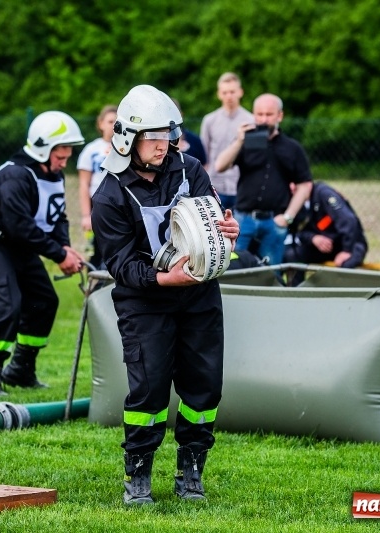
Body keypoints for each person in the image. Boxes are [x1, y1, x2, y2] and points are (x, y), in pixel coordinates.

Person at [90, 85, 239, 505]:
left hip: (199, 298)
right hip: (145, 302)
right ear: (127, 139)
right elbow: (120, 266)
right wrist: (163, 280)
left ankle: (191, 468)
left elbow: (213, 224)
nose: (163, 144)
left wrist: (229, 232)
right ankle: (137, 472)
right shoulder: (108, 194)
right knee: (150, 389)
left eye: (167, 134)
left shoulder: (190, 169)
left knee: (204, 386)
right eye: (152, 137)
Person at [0, 110, 87, 397]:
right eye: (61, 152)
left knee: (43, 301)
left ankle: (21, 370)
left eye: (69, 151)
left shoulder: (52, 174)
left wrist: (64, 247)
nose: (66, 158)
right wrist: (59, 255)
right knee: (7, 305)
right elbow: (19, 225)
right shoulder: (16, 176)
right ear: (43, 148)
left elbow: (57, 217)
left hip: (17, 243)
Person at [214, 92, 313, 266]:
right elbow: (220, 166)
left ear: (280, 116)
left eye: (269, 114)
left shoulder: (292, 148)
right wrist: (239, 141)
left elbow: (304, 185)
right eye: (259, 114)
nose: (264, 119)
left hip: (274, 222)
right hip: (243, 220)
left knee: (271, 273)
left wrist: (288, 217)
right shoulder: (244, 142)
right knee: (231, 268)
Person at [284, 181, 368, 280]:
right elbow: (298, 231)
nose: (292, 188)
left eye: (296, 185)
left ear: (308, 184)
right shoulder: (297, 202)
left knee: (345, 264)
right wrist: (313, 238)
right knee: (292, 255)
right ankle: (295, 292)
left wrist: (347, 250)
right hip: (325, 247)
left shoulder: (324, 193)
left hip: (350, 244)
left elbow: (348, 221)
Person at [199, 72, 254, 209]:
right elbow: (203, 153)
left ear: (240, 92)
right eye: (225, 92)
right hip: (215, 186)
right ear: (219, 94)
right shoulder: (209, 120)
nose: (229, 96)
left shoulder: (251, 120)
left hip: (241, 186)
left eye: (232, 92)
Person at [77, 104, 116, 268]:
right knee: (98, 250)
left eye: (118, 122)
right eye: (110, 121)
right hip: (98, 205)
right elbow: (84, 184)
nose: (114, 126)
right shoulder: (91, 150)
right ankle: (95, 287)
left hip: (119, 205)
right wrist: (87, 215)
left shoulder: (129, 149)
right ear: (100, 124)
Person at [171, 98, 207, 166]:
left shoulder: (195, 140)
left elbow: (204, 166)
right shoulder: (159, 143)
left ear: (181, 114)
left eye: (174, 114)